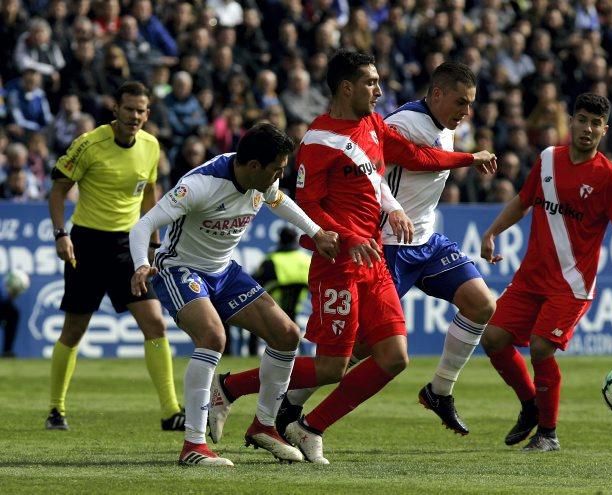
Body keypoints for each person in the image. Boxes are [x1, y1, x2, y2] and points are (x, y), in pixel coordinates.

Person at [207, 50, 497, 465]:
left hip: (374, 259)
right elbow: (308, 204)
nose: (379, 91)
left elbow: (415, 158)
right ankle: (230, 388)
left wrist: (464, 161)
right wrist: (345, 235)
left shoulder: (374, 125)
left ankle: (309, 427)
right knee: (332, 367)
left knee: (394, 358)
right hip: (338, 263)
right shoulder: (318, 141)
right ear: (347, 88)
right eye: (371, 83)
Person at [128, 122, 339, 467]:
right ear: (254, 166)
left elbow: (280, 201)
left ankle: (265, 425)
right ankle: (193, 445)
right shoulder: (200, 185)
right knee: (212, 336)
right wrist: (140, 264)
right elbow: (143, 225)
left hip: (224, 271)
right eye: (276, 169)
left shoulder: (262, 181)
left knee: (287, 335)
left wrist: (316, 232)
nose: (279, 176)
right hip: (180, 269)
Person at [479, 93, 612, 452]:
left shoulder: (609, 178)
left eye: (595, 123)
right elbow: (523, 201)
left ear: (605, 129)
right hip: (531, 277)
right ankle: (530, 406)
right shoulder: (547, 160)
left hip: (571, 285)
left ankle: (548, 434)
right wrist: (492, 232)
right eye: (582, 119)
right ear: (571, 121)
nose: (587, 128)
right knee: (492, 339)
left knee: (540, 347)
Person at [46, 81, 184, 432]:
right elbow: (58, 190)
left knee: (154, 323)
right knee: (74, 330)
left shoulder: (151, 146)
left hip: (127, 247)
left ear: (147, 113)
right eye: (129, 109)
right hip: (87, 245)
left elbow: (149, 194)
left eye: (141, 110)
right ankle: (56, 409)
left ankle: (171, 412)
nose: (135, 116)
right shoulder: (89, 144)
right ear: (115, 110)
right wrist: (61, 234)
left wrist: (153, 243)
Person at [248, 226, 312, 356]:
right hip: (297, 308)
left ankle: (252, 354)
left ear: (280, 240)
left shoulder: (272, 260)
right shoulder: (307, 259)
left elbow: (254, 284)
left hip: (273, 308)